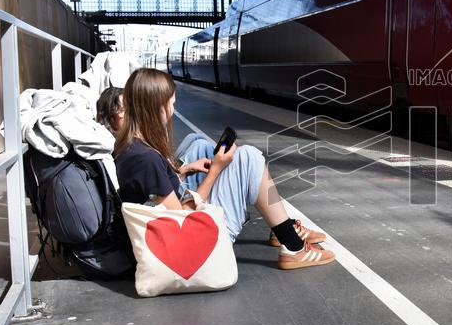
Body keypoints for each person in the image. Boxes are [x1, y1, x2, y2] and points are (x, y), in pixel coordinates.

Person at [112, 68, 334, 270]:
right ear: (155, 106)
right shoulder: (146, 159)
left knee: (198, 142)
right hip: (190, 247)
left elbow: (155, 192)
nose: (172, 110)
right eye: (171, 104)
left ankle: (280, 227)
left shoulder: (132, 147)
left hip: (165, 230)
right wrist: (215, 170)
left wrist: (186, 170)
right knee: (250, 158)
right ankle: (293, 245)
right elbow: (181, 220)